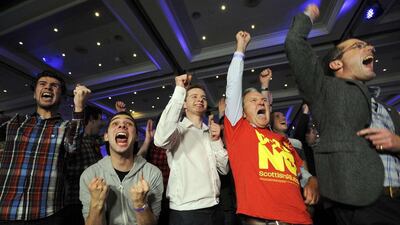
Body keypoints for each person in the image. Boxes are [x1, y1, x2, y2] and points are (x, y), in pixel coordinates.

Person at [285, 4, 400, 225]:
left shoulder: (388, 110)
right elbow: (294, 43)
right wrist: (308, 15)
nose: (370, 48)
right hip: (361, 206)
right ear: (336, 63)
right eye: (358, 46)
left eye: (367, 45)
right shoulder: (325, 93)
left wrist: (397, 143)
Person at [224, 31, 313, 225]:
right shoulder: (239, 131)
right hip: (265, 221)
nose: (261, 102)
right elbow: (232, 87)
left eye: (263, 100)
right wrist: (240, 49)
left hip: (302, 219)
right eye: (253, 101)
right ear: (243, 112)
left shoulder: (283, 140)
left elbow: (300, 170)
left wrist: (311, 181)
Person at [0, 70, 91, 224]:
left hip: (49, 213)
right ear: (35, 94)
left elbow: (73, 146)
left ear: (61, 97)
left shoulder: (66, 127)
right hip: (7, 211)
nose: (48, 88)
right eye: (43, 84)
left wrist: (79, 106)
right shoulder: (15, 122)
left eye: (54, 86)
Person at [154, 75, 229, 225]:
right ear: (184, 104)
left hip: (215, 207)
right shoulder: (177, 131)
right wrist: (180, 90)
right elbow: (160, 139)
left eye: (203, 97)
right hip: (187, 212)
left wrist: (216, 141)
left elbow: (224, 169)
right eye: (194, 96)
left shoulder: (210, 132)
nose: (200, 99)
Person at [79, 111, 163, 225]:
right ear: (106, 136)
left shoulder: (152, 173)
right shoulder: (90, 175)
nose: (122, 125)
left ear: (137, 137)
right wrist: (96, 204)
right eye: (115, 123)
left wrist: (141, 205)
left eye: (128, 124)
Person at [64, 105, 105, 225]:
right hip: (75, 203)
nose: (101, 123)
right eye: (100, 119)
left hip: (93, 200)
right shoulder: (76, 141)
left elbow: (107, 137)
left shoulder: (92, 140)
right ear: (92, 119)